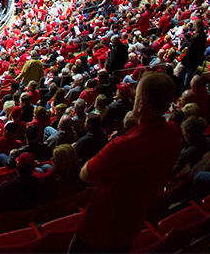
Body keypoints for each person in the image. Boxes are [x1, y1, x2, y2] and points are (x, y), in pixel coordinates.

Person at [72, 72, 182, 252]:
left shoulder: (123, 146)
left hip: (101, 226)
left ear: (139, 103)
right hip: (134, 222)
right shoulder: (175, 132)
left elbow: (86, 174)